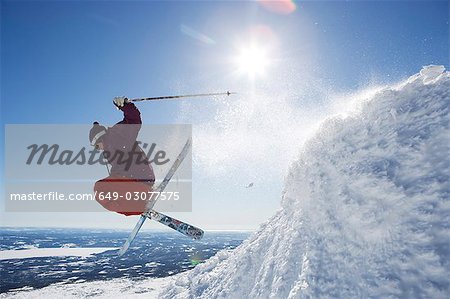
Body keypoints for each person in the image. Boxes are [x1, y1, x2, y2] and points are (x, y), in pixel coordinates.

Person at [89, 96, 155, 216]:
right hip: (137, 183)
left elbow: (134, 120)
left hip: (140, 180)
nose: (98, 149)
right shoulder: (110, 152)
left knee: (100, 188)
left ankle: (139, 206)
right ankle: (137, 205)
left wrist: (125, 106)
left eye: (96, 146)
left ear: (98, 138)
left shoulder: (116, 134)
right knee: (105, 191)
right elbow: (119, 168)